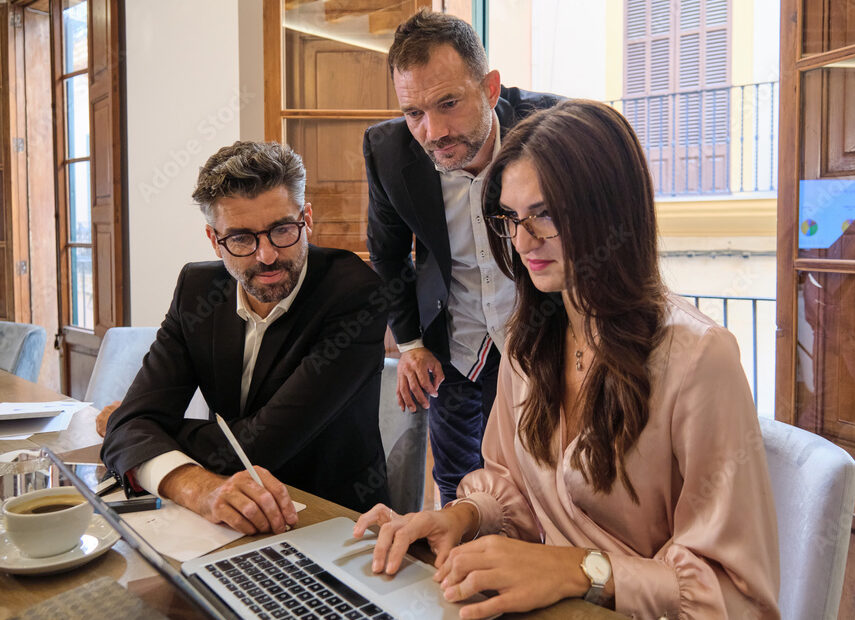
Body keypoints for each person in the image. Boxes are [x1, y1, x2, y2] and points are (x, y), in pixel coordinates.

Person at [354, 101, 780, 619]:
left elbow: (737, 596)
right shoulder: (528, 342)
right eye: (510, 218)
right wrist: (462, 517)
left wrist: (580, 570)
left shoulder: (698, 359)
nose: (523, 241)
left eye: (545, 215)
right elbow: (511, 487)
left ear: (612, 213)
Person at [101, 141, 390, 534]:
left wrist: (148, 427)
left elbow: (258, 449)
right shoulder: (196, 288)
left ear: (307, 218)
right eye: (240, 238)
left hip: (331, 519)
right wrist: (191, 484)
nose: (266, 255)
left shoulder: (355, 293)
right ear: (213, 238)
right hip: (224, 511)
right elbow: (135, 423)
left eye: (283, 230)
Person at [365, 9, 560, 506]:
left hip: (545, 337)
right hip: (455, 345)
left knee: (548, 485)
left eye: (448, 103)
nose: (433, 131)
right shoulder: (388, 152)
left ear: (491, 89)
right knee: (457, 487)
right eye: (414, 113)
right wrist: (410, 343)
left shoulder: (556, 129)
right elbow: (388, 258)